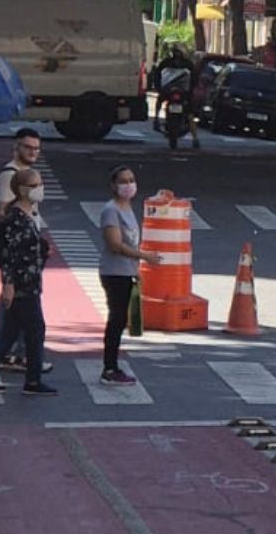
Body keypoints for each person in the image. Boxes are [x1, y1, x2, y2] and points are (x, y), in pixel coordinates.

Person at [0, 168, 57, 395]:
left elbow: (25, 247)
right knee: (35, 329)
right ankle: (33, 381)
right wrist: (8, 284)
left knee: (9, 331)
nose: (40, 189)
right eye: (34, 185)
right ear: (21, 190)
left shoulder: (28, 215)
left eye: (40, 184)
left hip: (29, 280)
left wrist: (42, 250)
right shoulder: (15, 219)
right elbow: (7, 254)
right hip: (21, 284)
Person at [0, 128, 51, 375]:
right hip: (19, 252)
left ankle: (15, 355)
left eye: (36, 148)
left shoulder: (27, 174)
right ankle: (13, 356)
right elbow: (2, 215)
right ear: (16, 147)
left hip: (30, 249)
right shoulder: (10, 176)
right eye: (28, 147)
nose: (33, 152)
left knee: (18, 307)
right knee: (15, 301)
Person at [97, 165, 156, 385]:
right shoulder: (111, 210)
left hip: (126, 271)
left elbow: (129, 241)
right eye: (123, 181)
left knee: (120, 319)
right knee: (116, 319)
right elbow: (115, 244)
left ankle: (112, 366)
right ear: (113, 185)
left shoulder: (128, 208)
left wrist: (136, 268)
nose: (129, 185)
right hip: (114, 272)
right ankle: (109, 368)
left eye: (131, 180)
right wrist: (144, 256)